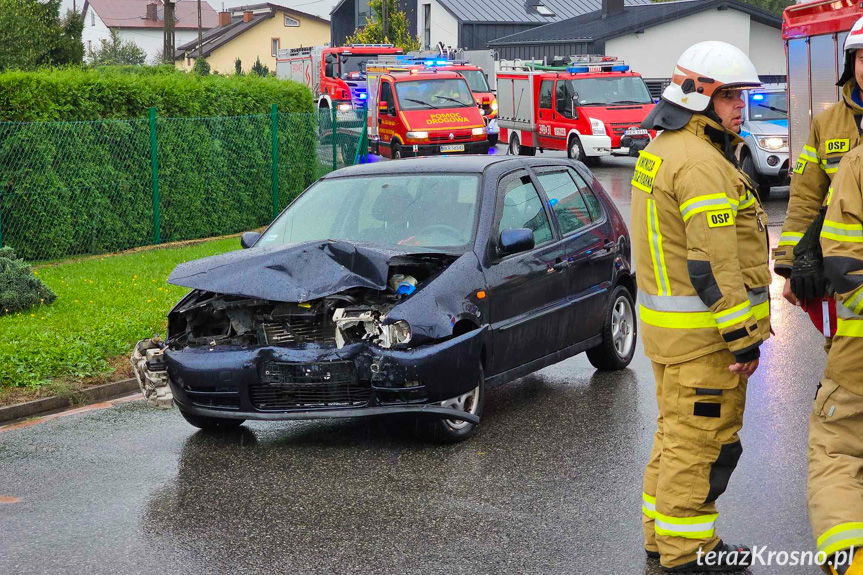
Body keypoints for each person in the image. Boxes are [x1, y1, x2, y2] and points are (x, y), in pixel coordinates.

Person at [631, 41, 770, 573]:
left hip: (671, 338)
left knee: (674, 439)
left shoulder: (662, 150)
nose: (741, 107)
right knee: (702, 446)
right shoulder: (700, 164)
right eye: (730, 95)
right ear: (697, 96)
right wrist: (743, 337)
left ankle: (661, 540)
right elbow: (712, 265)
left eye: (742, 96)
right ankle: (688, 556)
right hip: (706, 342)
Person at [775, 16, 863, 306]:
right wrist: (791, 265)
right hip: (843, 271)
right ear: (851, 64)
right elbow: (805, 198)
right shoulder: (827, 124)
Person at [811, 146, 863, 575]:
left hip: (858, 351)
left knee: (837, 449)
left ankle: (852, 560)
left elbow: (845, 263)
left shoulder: (859, 164)